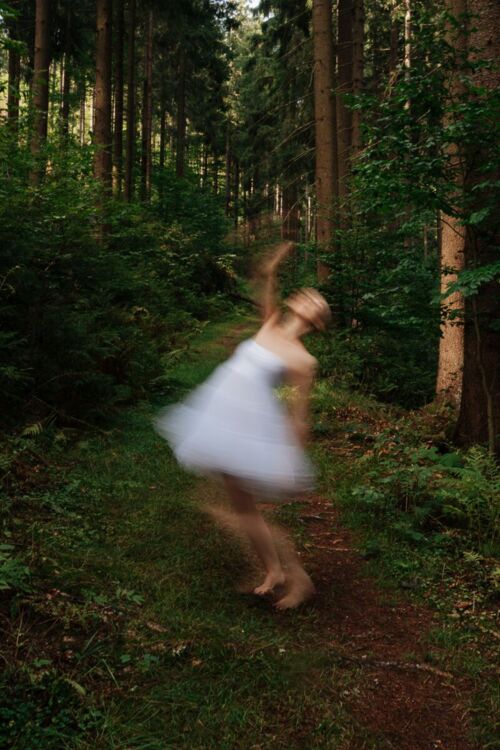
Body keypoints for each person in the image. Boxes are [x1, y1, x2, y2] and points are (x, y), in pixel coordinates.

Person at [155, 242, 331, 609]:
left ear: (317, 321)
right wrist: (273, 265)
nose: (307, 297)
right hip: (222, 412)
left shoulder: (303, 360)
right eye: (307, 295)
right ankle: (275, 571)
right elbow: (265, 282)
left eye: (315, 301)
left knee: (243, 506)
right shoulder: (270, 323)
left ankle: (296, 577)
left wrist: (289, 459)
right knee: (242, 505)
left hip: (249, 423)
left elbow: (300, 415)